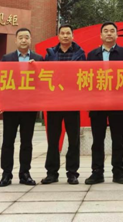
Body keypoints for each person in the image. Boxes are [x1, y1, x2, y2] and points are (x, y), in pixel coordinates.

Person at [85, 22, 123, 185]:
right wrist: (89, 102)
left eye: (112, 31)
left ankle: (118, 173)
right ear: (100, 35)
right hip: (97, 103)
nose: (109, 33)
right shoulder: (92, 55)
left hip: (118, 103)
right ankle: (97, 172)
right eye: (105, 31)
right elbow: (88, 79)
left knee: (118, 140)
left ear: (117, 35)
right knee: (97, 141)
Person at [0, 28, 43, 187]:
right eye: (21, 38)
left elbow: (43, 82)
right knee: (8, 141)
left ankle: (25, 173)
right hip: (11, 106)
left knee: (26, 142)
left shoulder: (38, 59)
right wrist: (0, 102)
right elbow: (1, 82)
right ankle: (6, 174)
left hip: (29, 107)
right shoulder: (7, 58)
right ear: (16, 40)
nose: (24, 40)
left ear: (30, 40)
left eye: (26, 37)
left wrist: (36, 68)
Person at [42, 24, 85, 185]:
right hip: (54, 102)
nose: (65, 36)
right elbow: (43, 74)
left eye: (68, 33)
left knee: (73, 139)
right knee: (53, 139)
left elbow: (84, 75)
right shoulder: (51, 54)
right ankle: (51, 173)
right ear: (58, 36)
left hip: (72, 101)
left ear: (72, 36)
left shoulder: (80, 54)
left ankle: (72, 173)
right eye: (63, 33)